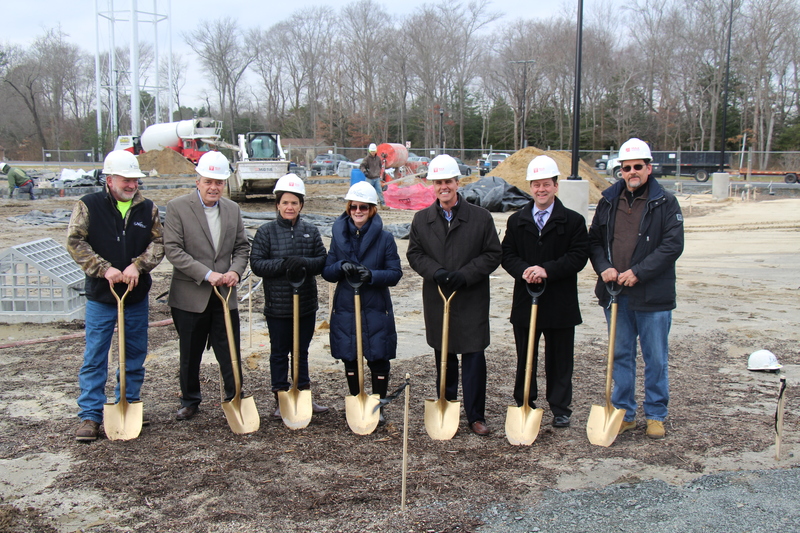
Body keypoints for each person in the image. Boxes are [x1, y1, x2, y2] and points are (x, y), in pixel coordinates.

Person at [588, 137, 684, 439]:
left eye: (637, 166)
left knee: (655, 357)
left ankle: (656, 414)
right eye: (626, 167)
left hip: (652, 295)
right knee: (621, 354)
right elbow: (594, 242)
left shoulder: (666, 202)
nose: (632, 172)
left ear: (649, 167)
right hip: (616, 294)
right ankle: (624, 412)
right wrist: (604, 268)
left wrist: (638, 273)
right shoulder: (608, 201)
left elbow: (672, 245)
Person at [66, 150, 164, 441]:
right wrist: (103, 269)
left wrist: (138, 265)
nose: (132, 185)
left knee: (134, 354)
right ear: (109, 179)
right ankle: (90, 415)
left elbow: (159, 244)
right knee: (96, 355)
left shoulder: (148, 209)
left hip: (134, 295)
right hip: (101, 295)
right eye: (126, 180)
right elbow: (75, 241)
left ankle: (129, 402)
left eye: (135, 180)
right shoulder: (88, 205)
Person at [406, 154, 502, 436]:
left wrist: (466, 274)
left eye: (448, 181)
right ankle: (446, 403)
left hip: (470, 297)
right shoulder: (422, 220)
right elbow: (414, 253)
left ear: (457, 183)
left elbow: (493, 253)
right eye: (438, 182)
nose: (443, 187)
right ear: (432, 186)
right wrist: (435, 272)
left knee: (473, 356)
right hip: (438, 296)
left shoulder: (480, 218)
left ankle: (475, 415)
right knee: (443, 354)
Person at [501, 155, 589, 428]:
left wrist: (547, 270)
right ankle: (525, 401)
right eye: (536, 185)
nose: (541, 190)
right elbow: (507, 254)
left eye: (546, 184)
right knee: (525, 356)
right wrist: (524, 270)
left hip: (560, 303)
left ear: (556, 186)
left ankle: (561, 408)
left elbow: (578, 256)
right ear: (530, 186)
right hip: (527, 301)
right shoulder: (517, 221)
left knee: (560, 359)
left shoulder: (572, 221)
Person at [163, 151, 251, 421]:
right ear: (198, 180)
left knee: (230, 350)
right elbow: (173, 250)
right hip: (191, 295)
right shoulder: (177, 207)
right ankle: (190, 400)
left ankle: (234, 396)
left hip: (225, 294)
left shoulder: (232, 209)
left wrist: (235, 271)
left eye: (220, 182)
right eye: (208, 181)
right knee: (190, 352)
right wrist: (207, 274)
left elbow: (241, 247)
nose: (214, 187)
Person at [249, 173, 329, 417]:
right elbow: (257, 264)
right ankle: (280, 397)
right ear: (277, 205)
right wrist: (284, 264)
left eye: (294, 202)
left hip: (305, 304)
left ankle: (303, 392)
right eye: (285, 202)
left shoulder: (311, 231)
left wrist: (303, 262)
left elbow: (323, 261)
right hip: (278, 305)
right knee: (279, 352)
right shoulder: (266, 233)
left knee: (301, 351)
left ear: (301, 205)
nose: (289, 207)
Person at [322, 181, 402, 423]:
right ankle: (356, 400)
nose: (358, 211)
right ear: (348, 208)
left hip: (375, 305)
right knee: (350, 354)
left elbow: (395, 273)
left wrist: (373, 275)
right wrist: (339, 267)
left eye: (364, 207)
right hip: (347, 304)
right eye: (354, 206)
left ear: (372, 209)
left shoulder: (385, 239)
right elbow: (327, 271)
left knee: (378, 355)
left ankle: (378, 404)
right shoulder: (338, 236)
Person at [359, 143, 385, 207]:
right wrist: (364, 171)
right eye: (371, 151)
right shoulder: (367, 159)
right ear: (369, 151)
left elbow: (380, 166)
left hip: (376, 178)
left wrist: (379, 174)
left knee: (380, 191)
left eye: (374, 151)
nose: (373, 153)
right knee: (368, 192)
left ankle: (383, 204)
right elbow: (362, 166)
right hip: (369, 178)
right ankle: (366, 204)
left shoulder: (378, 159)